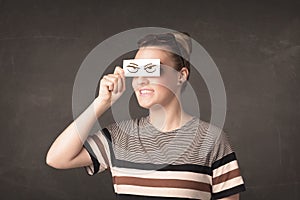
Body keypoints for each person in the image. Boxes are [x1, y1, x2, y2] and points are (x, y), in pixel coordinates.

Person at [46, 31, 246, 200]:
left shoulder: (211, 140)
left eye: (152, 69)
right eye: (137, 70)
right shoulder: (119, 137)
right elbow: (57, 158)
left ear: (181, 75)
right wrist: (101, 103)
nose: (141, 81)